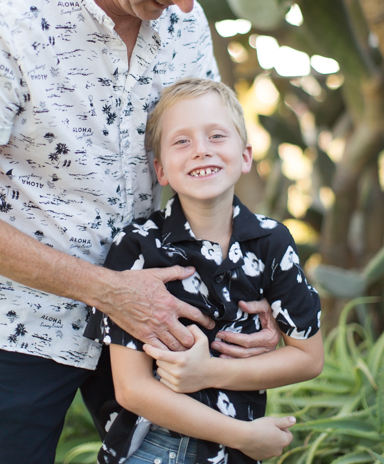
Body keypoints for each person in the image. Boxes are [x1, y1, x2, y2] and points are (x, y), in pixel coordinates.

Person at [0, 0, 282, 464]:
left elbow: (207, 170)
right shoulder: (0, 18)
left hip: (156, 325)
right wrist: (109, 291)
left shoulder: (185, 22)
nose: (189, 5)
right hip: (12, 328)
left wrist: (258, 297)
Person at [84, 78, 324, 464]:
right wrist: (245, 435)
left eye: (216, 135)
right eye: (182, 141)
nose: (200, 150)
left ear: (245, 156)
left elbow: (308, 358)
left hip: (236, 455)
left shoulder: (272, 242)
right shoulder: (137, 247)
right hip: (152, 448)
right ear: (160, 170)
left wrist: (208, 372)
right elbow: (132, 389)